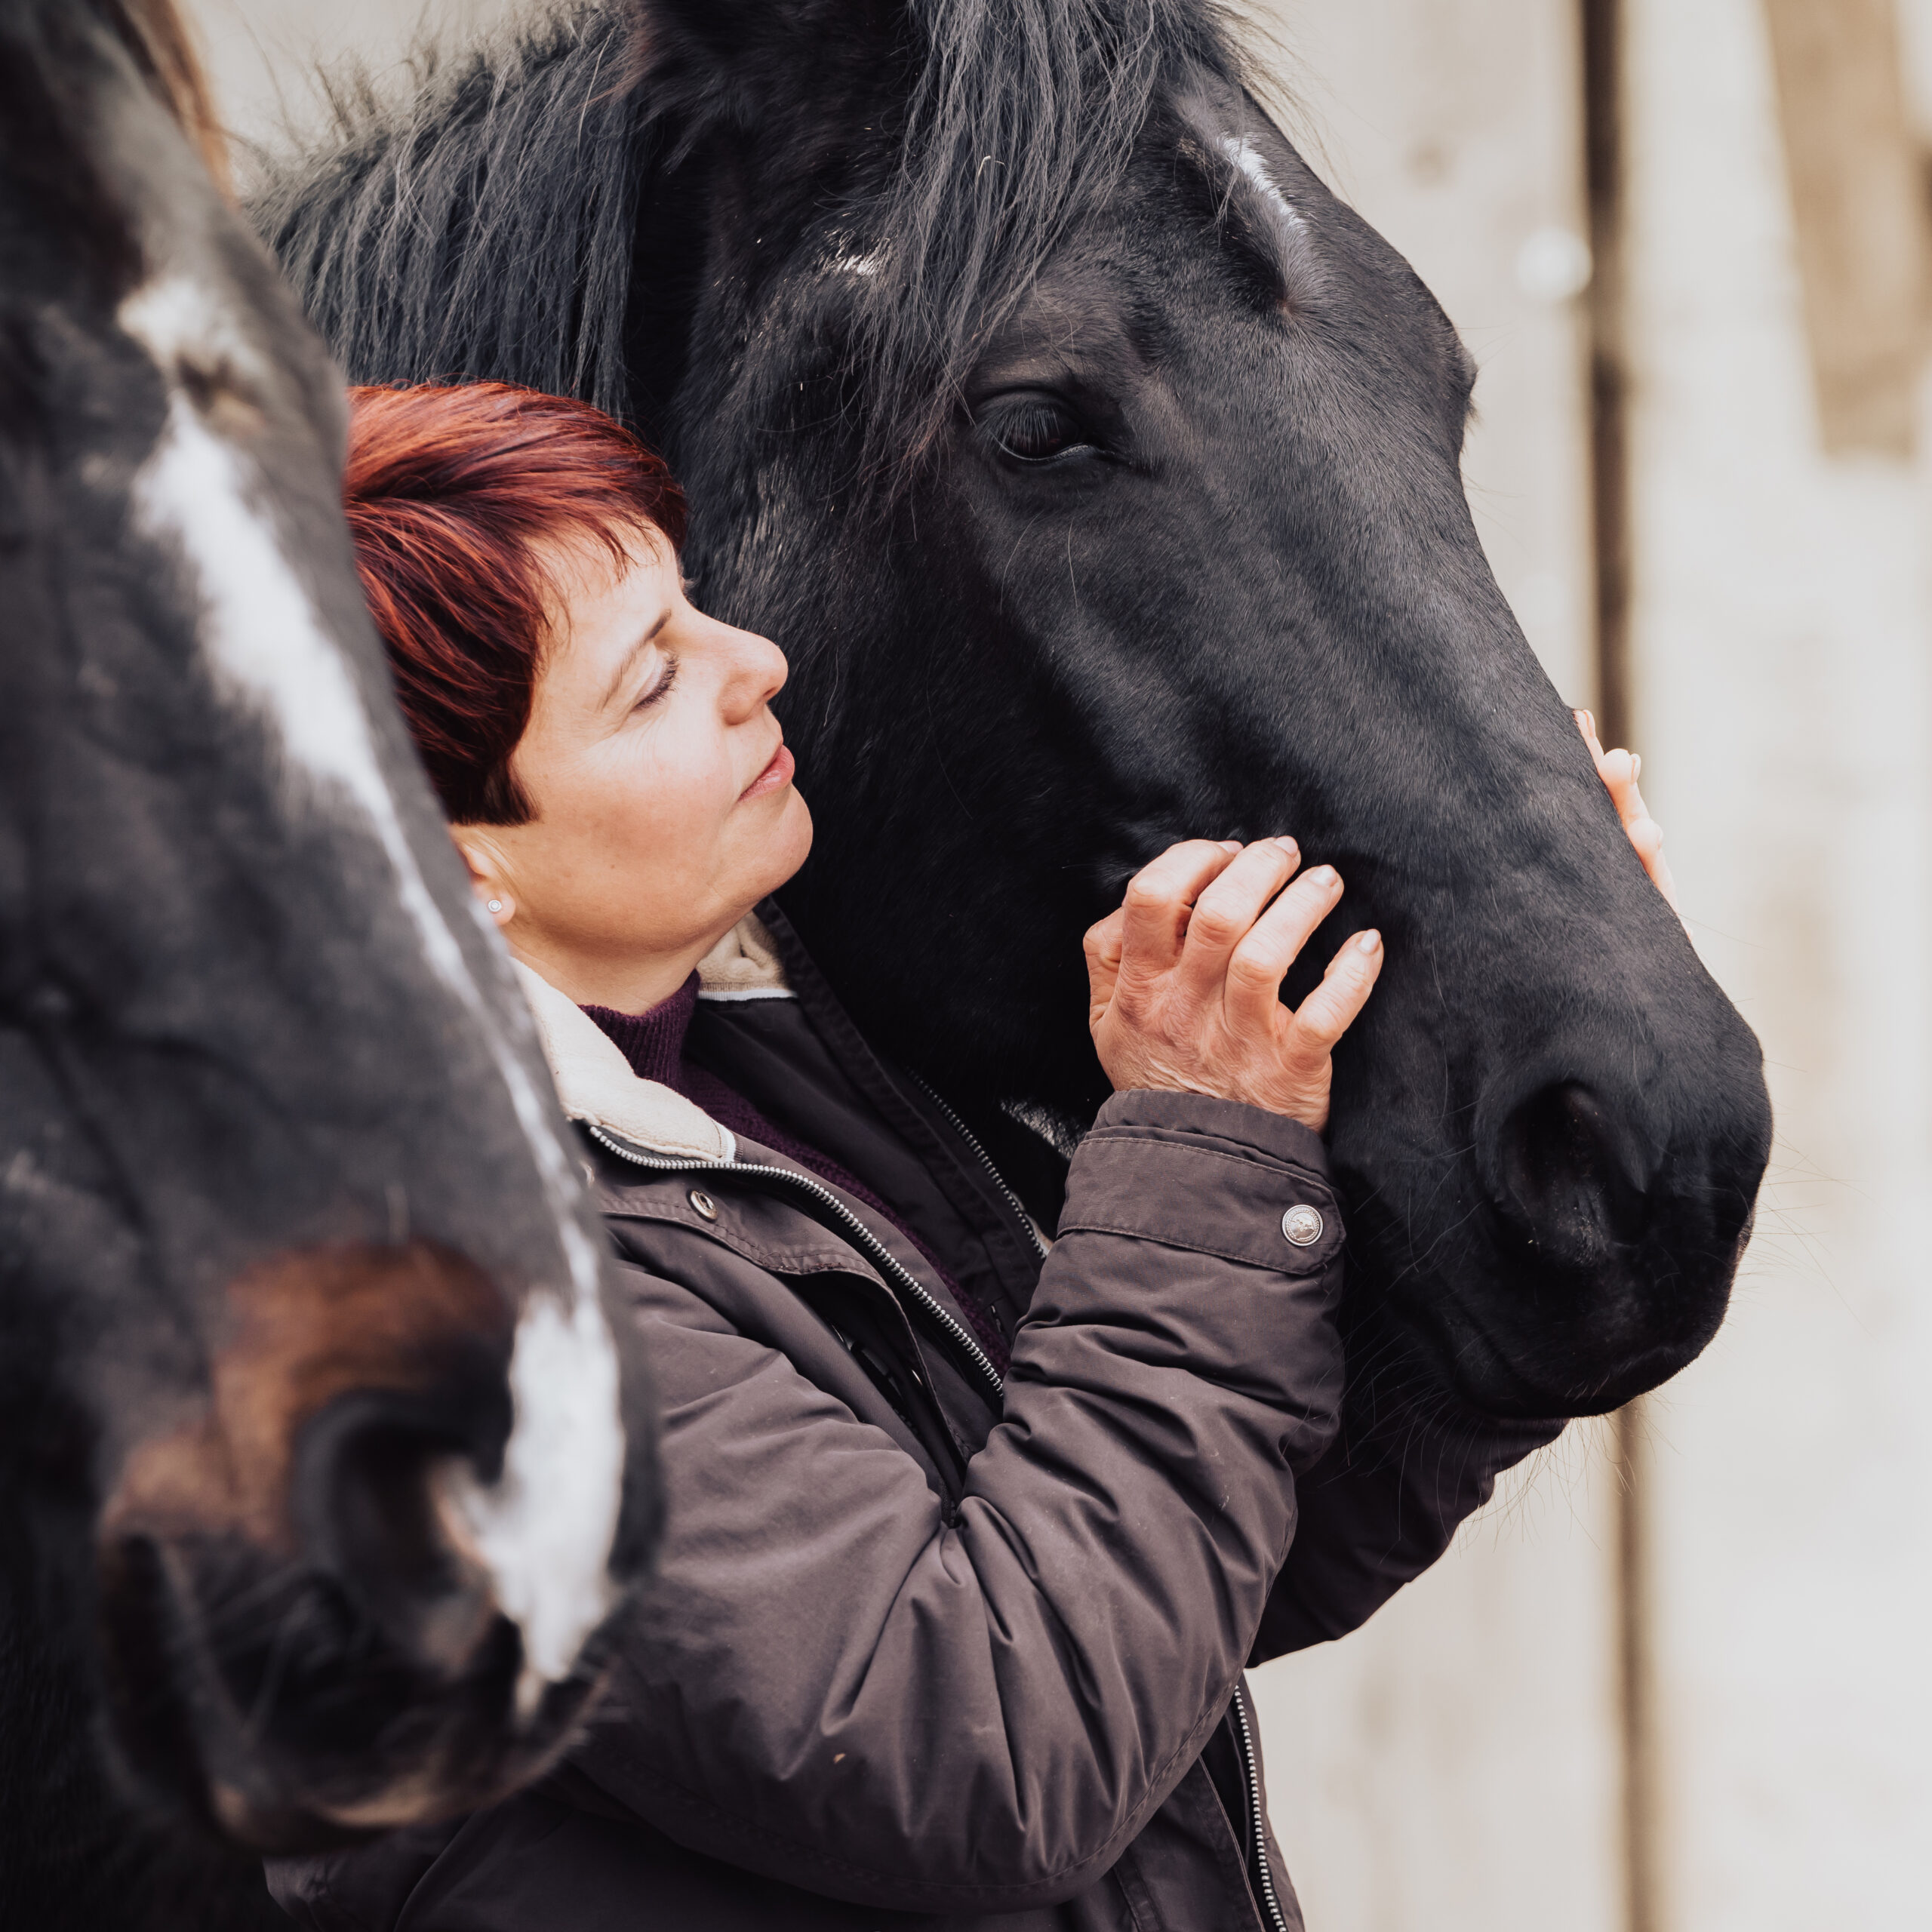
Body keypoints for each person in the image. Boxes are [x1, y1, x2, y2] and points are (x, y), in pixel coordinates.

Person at [272, 381, 1677, 1932]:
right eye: (650, 677)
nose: (754, 666)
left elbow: (1144, 1577)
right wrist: (1201, 1147)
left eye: (695, 605)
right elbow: (989, 1737)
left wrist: (1506, 1224)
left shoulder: (744, 1083)